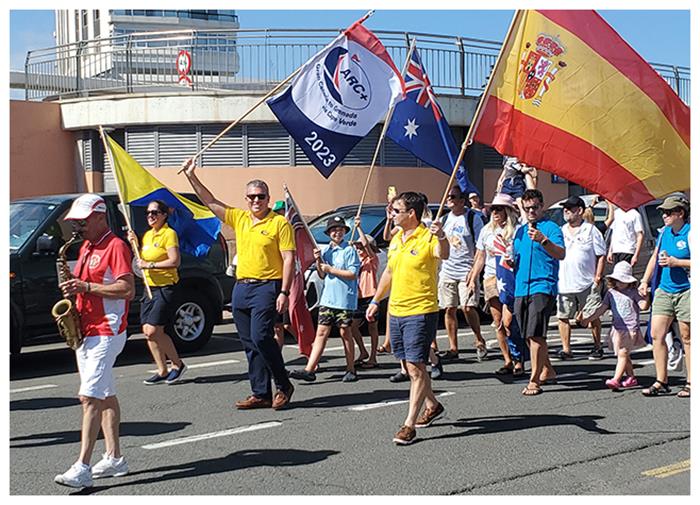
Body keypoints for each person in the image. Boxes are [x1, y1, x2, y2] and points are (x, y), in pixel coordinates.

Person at [181, 158, 296, 410]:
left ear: (268, 198)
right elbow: (210, 202)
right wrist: (191, 176)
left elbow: (289, 259)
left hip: (267, 286)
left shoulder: (279, 223)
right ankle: (260, 393)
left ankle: (283, 384)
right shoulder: (240, 218)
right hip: (242, 286)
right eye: (252, 197)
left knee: (262, 337)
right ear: (246, 199)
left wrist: (284, 291)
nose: (256, 201)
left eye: (261, 196)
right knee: (249, 343)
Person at [54, 194, 135, 488]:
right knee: (105, 394)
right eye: (76, 221)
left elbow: (127, 289)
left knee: (89, 397)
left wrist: (86, 286)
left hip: (107, 329)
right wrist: (75, 293)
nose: (78, 226)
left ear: (100, 216)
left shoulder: (115, 246)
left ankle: (82, 466)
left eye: (82, 221)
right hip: (86, 329)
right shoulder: (87, 246)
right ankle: (115, 459)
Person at [366, 192, 449, 445]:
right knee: (409, 364)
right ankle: (432, 404)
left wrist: (441, 235)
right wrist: (375, 300)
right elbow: (389, 273)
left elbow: (443, 253)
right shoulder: (396, 240)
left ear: (411, 213)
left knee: (415, 367)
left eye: (396, 210)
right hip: (397, 310)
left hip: (421, 310)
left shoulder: (428, 237)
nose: (392, 214)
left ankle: (408, 424)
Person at [289, 216, 361, 383]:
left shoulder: (349, 250)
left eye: (340, 229)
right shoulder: (326, 251)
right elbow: (322, 274)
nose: (337, 232)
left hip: (344, 300)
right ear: (329, 233)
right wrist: (319, 259)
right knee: (321, 332)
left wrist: (331, 269)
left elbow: (352, 274)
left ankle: (351, 368)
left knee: (345, 332)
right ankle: (310, 369)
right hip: (328, 299)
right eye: (334, 230)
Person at [127, 200, 187, 385]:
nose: (151, 216)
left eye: (154, 213)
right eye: (148, 213)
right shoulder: (147, 235)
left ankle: (177, 364)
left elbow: (174, 261)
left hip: (165, 286)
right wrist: (134, 244)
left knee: (155, 329)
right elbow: (140, 262)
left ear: (164, 215)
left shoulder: (169, 234)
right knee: (147, 331)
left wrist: (151, 265)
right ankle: (162, 370)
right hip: (149, 287)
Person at [513, 189, 566, 396]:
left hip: (543, 285)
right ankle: (548, 370)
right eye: (527, 209)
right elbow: (517, 257)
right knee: (528, 335)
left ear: (541, 206)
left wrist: (544, 240)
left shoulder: (550, 228)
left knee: (535, 334)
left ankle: (534, 380)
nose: (531, 212)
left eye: (534, 207)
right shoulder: (520, 232)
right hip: (520, 286)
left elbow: (561, 253)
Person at [639, 195, 691, 398]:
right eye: (663, 212)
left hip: (687, 289)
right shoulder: (664, 234)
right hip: (664, 289)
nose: (664, 215)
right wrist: (644, 281)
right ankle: (661, 380)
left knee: (687, 336)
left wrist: (677, 262)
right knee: (656, 334)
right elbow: (654, 257)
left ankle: (690, 381)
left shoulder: (691, 232)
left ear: (680, 213)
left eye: (669, 212)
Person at [468, 193, 524, 376]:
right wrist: (473, 279)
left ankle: (519, 358)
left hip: (512, 277)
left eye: (499, 209)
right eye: (493, 209)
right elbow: (480, 257)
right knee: (499, 322)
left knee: (510, 322)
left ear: (508, 211)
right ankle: (508, 360)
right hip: (492, 277)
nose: (495, 212)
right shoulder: (486, 230)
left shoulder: (518, 230)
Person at [579, 262, 649, 390]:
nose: (620, 283)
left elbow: (643, 306)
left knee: (622, 353)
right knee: (623, 354)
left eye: (623, 280)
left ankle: (616, 379)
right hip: (617, 328)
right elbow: (602, 309)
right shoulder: (611, 293)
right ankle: (631, 377)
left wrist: (646, 295)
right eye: (617, 280)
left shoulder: (633, 292)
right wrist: (588, 319)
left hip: (630, 328)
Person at [438, 186, 487, 362]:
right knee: (449, 308)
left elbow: (481, 247)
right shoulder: (443, 219)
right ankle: (453, 347)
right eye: (448, 196)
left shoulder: (473, 218)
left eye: (453, 197)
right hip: (448, 269)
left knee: (467, 307)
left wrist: (474, 272)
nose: (449, 199)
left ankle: (479, 338)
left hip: (466, 269)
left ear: (462, 200)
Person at [555, 196, 606, 361]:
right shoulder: (560, 230)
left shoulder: (591, 230)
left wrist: (598, 277)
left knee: (592, 316)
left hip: (586, 282)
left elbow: (601, 255)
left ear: (580, 211)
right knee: (563, 317)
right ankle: (566, 349)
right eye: (565, 208)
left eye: (570, 208)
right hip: (564, 282)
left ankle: (597, 346)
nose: (566, 211)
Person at [350, 216, 380, 369]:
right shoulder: (355, 260)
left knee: (372, 327)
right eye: (357, 247)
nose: (359, 249)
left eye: (360, 247)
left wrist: (359, 228)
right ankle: (363, 351)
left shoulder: (372, 260)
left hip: (370, 296)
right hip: (358, 297)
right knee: (352, 326)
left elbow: (367, 247)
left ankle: (373, 357)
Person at [270, 200, 296, 349]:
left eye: (280, 212)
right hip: (273, 283)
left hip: (285, 284)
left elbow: (290, 259)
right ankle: (276, 359)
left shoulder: (289, 230)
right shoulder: (273, 229)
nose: (279, 215)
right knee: (277, 326)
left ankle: (308, 347)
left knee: (285, 325)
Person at [605, 201, 644, 267]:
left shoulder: (635, 214)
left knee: (624, 274)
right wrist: (610, 251)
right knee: (616, 275)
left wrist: (636, 255)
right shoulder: (616, 213)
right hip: (616, 250)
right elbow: (614, 233)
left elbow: (640, 235)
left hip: (628, 250)